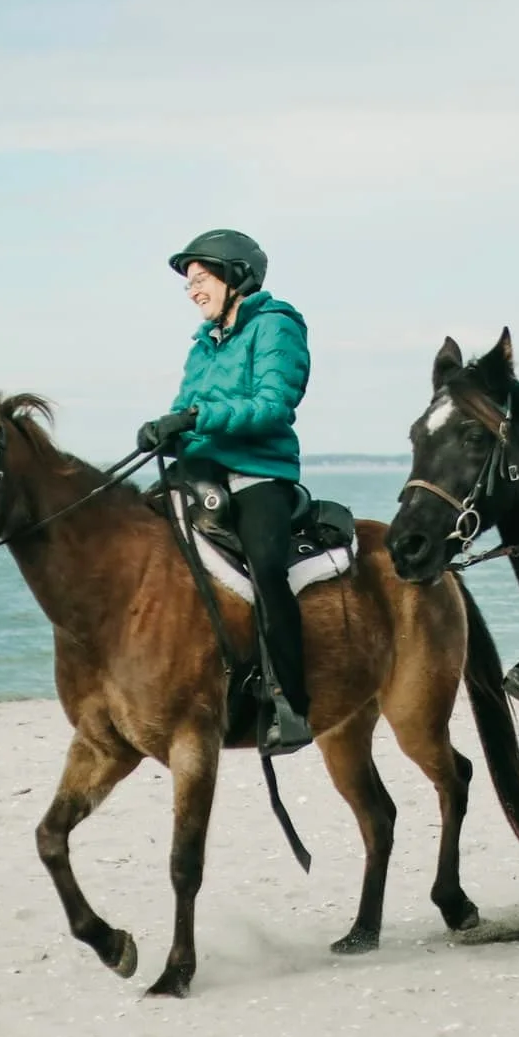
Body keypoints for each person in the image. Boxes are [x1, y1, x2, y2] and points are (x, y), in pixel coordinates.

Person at [136, 229, 315, 754]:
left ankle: (289, 700)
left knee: (265, 565)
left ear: (236, 276)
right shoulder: (202, 344)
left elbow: (273, 405)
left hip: (260, 472)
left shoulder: (276, 326)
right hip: (203, 468)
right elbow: (187, 406)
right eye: (188, 284)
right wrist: (166, 431)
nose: (192, 290)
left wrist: (197, 416)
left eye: (200, 279)